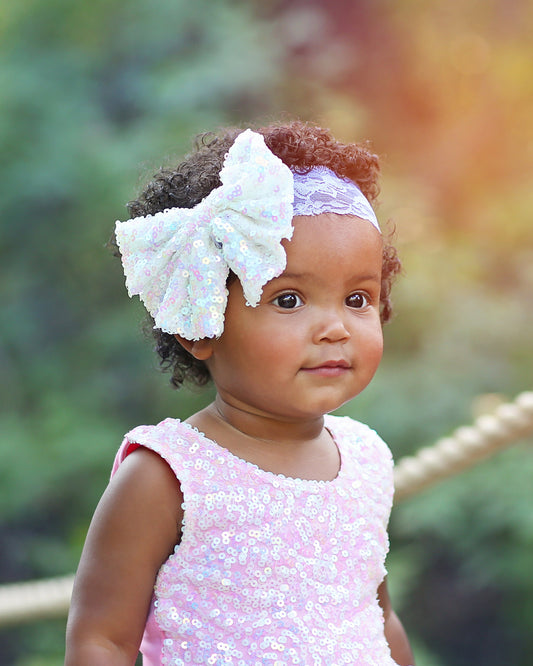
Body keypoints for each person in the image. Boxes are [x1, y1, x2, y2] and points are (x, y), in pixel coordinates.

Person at [65, 121, 415, 665]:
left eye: (357, 298)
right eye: (290, 300)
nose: (336, 327)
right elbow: (101, 641)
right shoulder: (166, 475)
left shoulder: (368, 458)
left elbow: (376, 619)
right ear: (200, 324)